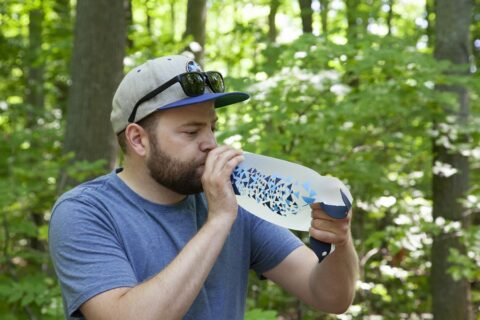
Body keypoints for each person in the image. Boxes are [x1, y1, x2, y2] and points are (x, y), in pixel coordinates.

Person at [49, 55, 358, 320]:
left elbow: (331, 298)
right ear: (138, 139)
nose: (211, 143)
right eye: (191, 131)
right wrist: (220, 220)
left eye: (212, 127)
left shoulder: (234, 199)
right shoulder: (85, 212)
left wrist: (338, 241)